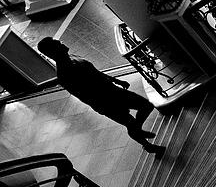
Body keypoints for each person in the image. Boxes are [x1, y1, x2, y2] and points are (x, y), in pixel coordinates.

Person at [36, 38, 165, 156]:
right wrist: (102, 107)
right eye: (57, 44)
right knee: (129, 122)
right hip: (105, 102)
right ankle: (146, 144)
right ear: (52, 52)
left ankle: (138, 130)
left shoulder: (72, 57)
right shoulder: (64, 74)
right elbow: (82, 96)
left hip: (114, 91)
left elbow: (96, 72)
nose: (62, 43)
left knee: (145, 107)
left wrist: (116, 80)